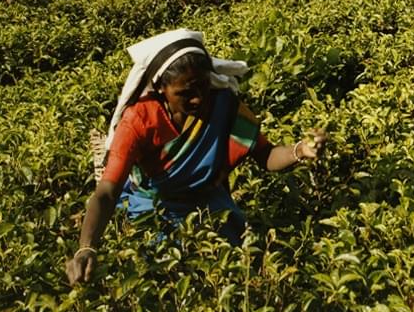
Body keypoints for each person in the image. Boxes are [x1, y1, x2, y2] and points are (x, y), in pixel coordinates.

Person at [66, 29, 326, 285]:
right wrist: (86, 248)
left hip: (208, 203)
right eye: (185, 93)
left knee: (235, 272)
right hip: (153, 209)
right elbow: (106, 192)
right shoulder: (140, 120)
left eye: (202, 86)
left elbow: (265, 154)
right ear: (161, 87)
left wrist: (299, 150)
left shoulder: (222, 105)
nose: (197, 98)